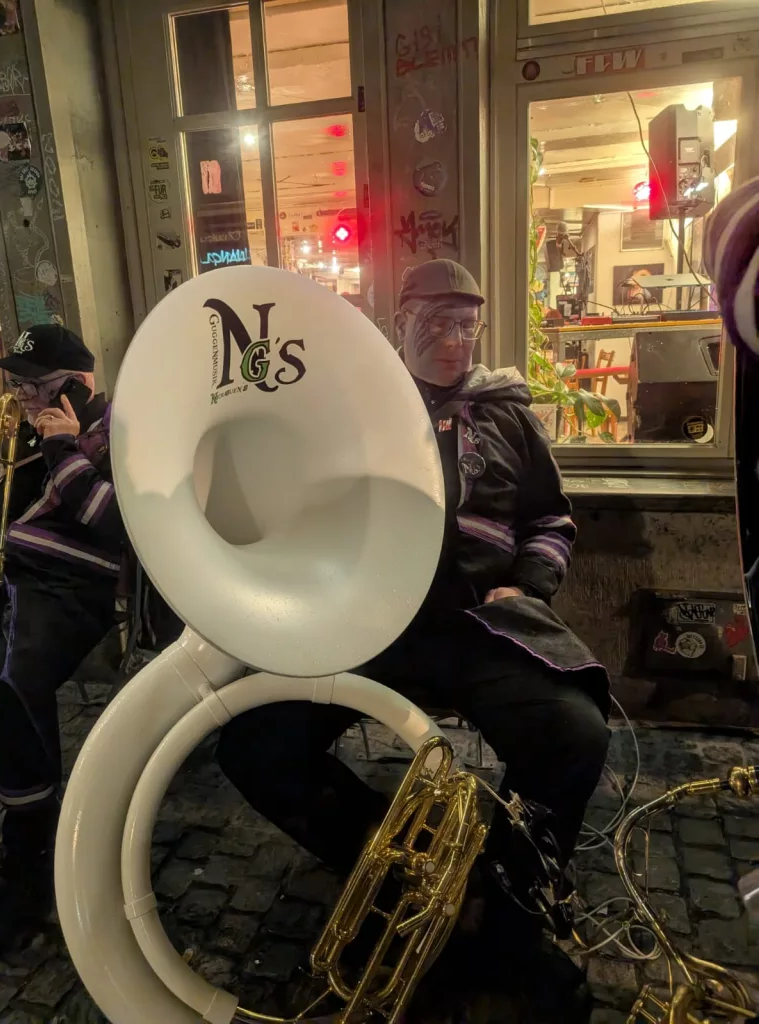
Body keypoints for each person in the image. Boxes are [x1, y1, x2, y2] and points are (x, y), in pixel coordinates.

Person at [216, 259, 610, 1016]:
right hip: (366, 626)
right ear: (398, 322)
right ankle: (405, 871)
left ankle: (506, 920)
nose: (456, 340)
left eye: (467, 325)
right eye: (436, 323)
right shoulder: (351, 408)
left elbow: (551, 518)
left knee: (576, 734)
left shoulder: (507, 414)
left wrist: (527, 585)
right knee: (253, 745)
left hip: (477, 623)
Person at [0, 324, 125, 955]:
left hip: (72, 587)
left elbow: (114, 521)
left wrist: (63, 449)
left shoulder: (120, 431)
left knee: (9, 683)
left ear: (76, 385)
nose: (20, 399)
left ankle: (30, 863)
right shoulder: (33, 429)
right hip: (16, 573)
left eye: (32, 386)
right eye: (14, 386)